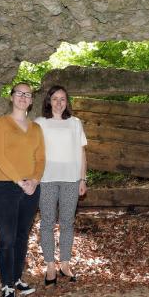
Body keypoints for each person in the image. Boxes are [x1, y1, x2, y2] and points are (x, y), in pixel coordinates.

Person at [0, 82, 45, 297]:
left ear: (31, 101)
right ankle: (6, 285)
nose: (23, 97)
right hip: (6, 185)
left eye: (28, 94)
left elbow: (41, 159)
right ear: (11, 97)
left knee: (22, 235)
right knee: (7, 237)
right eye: (19, 93)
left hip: (31, 187)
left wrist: (34, 180)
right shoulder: (0, 124)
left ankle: (17, 278)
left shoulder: (36, 129)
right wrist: (19, 180)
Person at [34, 85, 88, 286]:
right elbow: (34, 152)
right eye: (55, 98)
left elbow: (82, 153)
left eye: (62, 99)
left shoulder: (75, 123)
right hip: (46, 178)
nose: (58, 102)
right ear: (48, 101)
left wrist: (83, 179)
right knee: (47, 222)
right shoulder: (39, 123)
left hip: (71, 179)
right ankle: (49, 266)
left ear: (67, 102)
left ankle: (65, 264)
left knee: (67, 222)